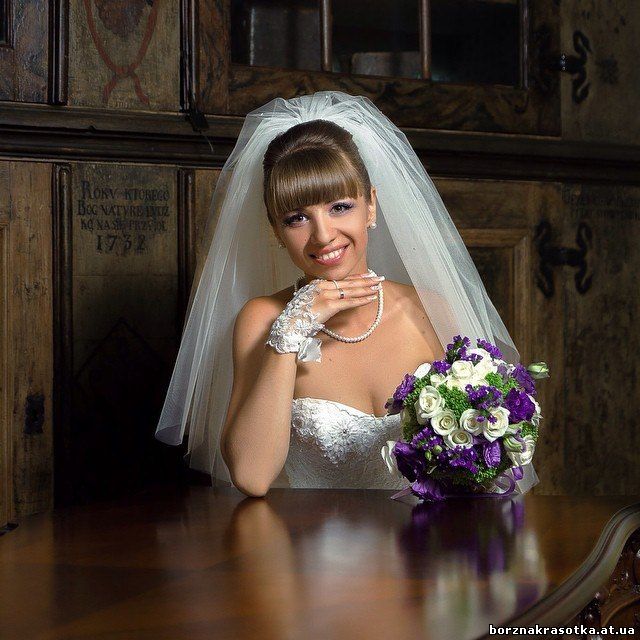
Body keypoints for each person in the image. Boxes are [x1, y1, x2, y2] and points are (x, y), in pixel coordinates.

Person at [155, 91, 538, 497]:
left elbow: (486, 464)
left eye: (339, 207)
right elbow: (252, 476)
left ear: (370, 206)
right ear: (275, 230)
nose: (323, 235)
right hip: (308, 539)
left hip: (424, 534)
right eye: (296, 218)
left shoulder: (430, 310)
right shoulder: (263, 319)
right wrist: (292, 330)